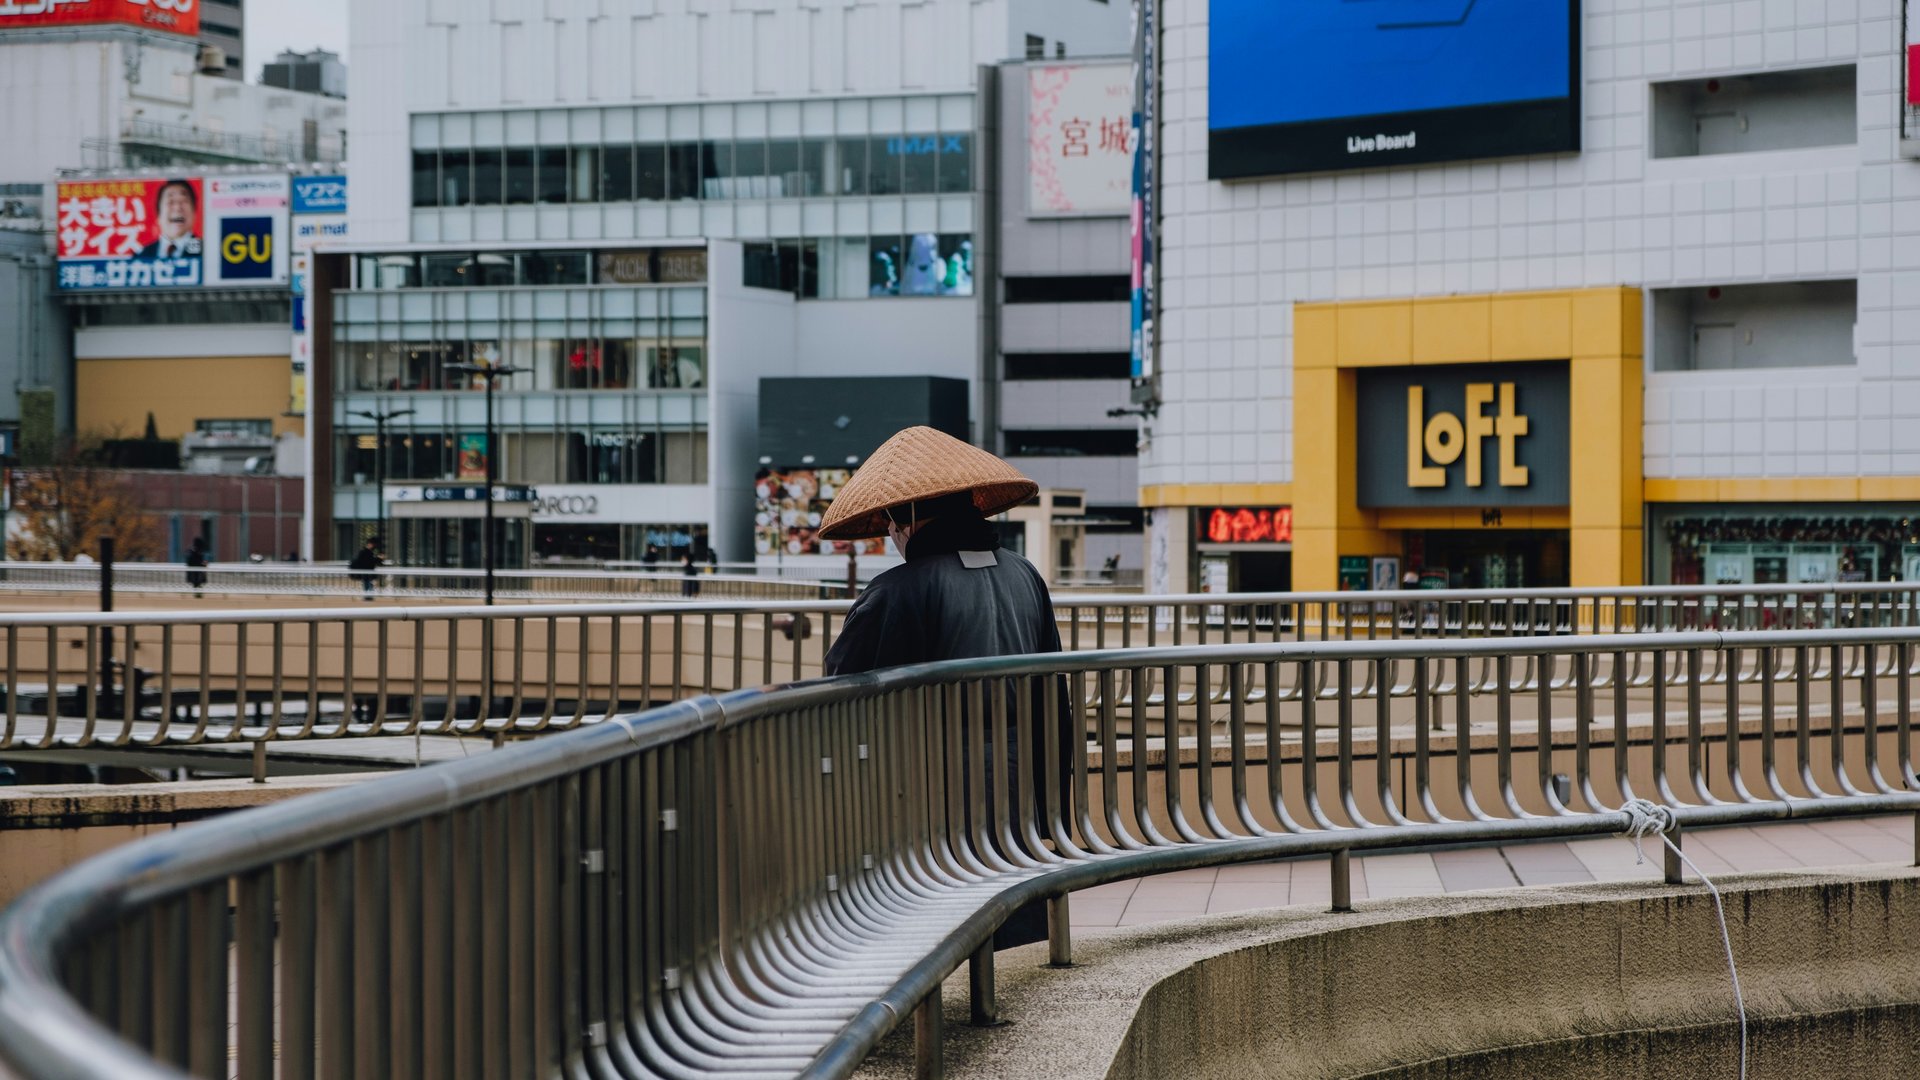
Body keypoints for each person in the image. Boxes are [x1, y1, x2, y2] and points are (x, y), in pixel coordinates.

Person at [818, 426, 1062, 949]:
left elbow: (842, 690)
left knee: (941, 913)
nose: (890, 532)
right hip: (1023, 774)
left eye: (890, 521)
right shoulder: (1026, 575)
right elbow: (1052, 684)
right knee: (1014, 906)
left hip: (935, 782)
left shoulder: (898, 590)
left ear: (906, 517)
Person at [136, 180, 202, 260]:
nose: (177, 208)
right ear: (158, 216)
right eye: (170, 202)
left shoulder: (207, 250)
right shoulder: (141, 255)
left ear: (194, 213)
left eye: (184, 201)